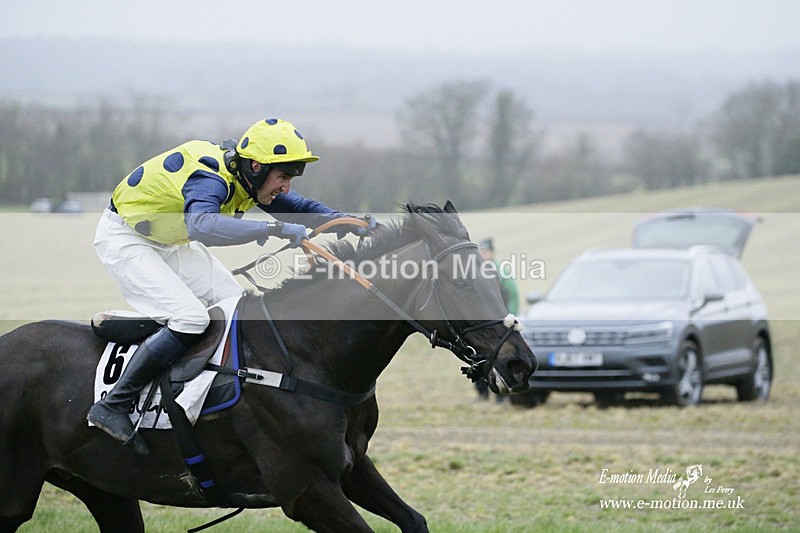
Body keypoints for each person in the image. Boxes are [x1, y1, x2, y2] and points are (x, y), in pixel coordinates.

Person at [88, 118, 375, 451]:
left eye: (290, 178)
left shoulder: (251, 180)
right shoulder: (209, 178)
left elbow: (300, 208)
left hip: (167, 242)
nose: (285, 187)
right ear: (256, 166)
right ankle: (113, 405)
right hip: (127, 239)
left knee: (236, 306)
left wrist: (352, 223)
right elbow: (203, 226)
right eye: (283, 177)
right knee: (191, 319)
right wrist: (272, 231)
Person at [475, 238, 519, 401]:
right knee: (479, 357)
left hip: (500, 322)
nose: (483, 254)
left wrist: (511, 318)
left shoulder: (502, 271)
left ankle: (501, 395)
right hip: (481, 324)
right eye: (480, 251)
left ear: (492, 252)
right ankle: (482, 393)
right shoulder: (474, 272)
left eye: (485, 251)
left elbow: (512, 296)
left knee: (501, 357)